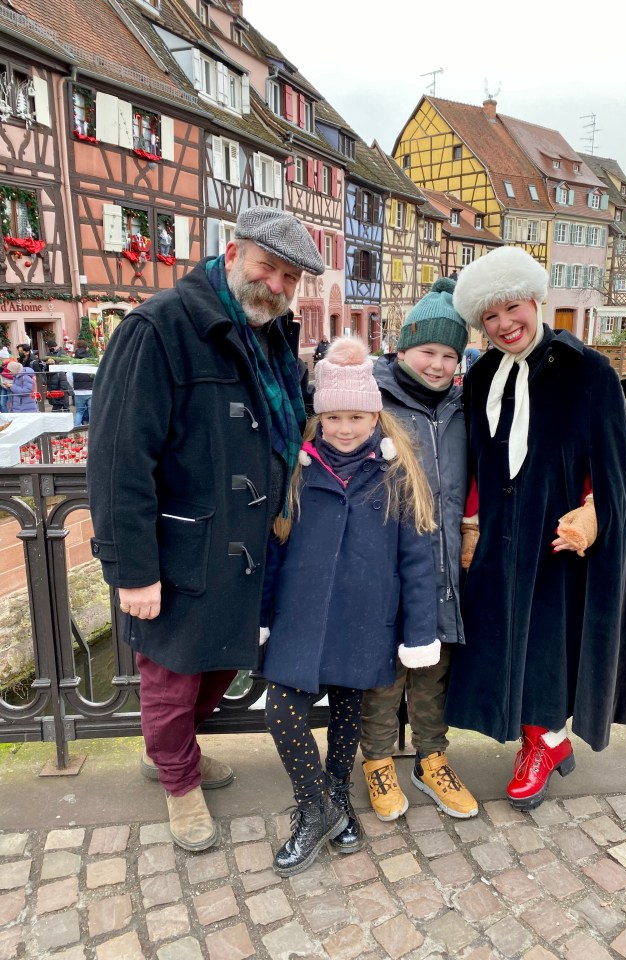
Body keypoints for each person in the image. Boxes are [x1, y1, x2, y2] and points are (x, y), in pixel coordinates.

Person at [87, 206, 325, 851]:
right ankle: (178, 783)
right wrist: (132, 569)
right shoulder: (159, 327)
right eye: (267, 268)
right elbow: (117, 459)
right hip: (183, 545)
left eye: (290, 278)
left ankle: (172, 755)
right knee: (172, 673)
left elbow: (291, 424)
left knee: (223, 662)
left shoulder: (272, 335)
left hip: (250, 544)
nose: (275, 285)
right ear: (232, 254)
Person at [447, 245, 626, 810]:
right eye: (490, 317)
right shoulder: (483, 371)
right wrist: (471, 523)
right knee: (502, 638)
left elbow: (616, 466)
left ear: (536, 301)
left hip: (559, 539)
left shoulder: (589, 369)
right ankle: (534, 738)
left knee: (551, 644)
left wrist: (592, 514)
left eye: (512, 308)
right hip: (499, 536)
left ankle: (545, 743)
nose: (504, 324)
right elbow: (480, 458)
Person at [261, 336, 440, 876]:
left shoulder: (395, 473)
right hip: (300, 614)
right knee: (282, 710)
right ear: (319, 417)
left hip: (364, 615)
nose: (344, 428)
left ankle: (337, 793)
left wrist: (418, 633)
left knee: (346, 713)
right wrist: (264, 618)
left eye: (357, 416)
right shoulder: (297, 469)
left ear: (373, 416)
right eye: (334, 416)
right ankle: (316, 807)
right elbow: (274, 548)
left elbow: (417, 560)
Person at [360, 278, 478, 822]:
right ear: (401, 347)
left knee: (436, 669)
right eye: (427, 351)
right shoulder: (371, 401)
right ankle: (378, 760)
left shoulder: (463, 404)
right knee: (386, 674)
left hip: (447, 564)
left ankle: (432, 757)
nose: (437, 364)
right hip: (388, 568)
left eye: (449, 354)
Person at [68, 338, 95, 426]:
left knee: (79, 412)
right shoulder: (91, 359)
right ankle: (91, 431)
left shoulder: (73, 361)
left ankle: (76, 431)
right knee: (92, 412)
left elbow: (68, 375)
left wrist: (73, 385)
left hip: (78, 391)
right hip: (91, 390)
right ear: (86, 348)